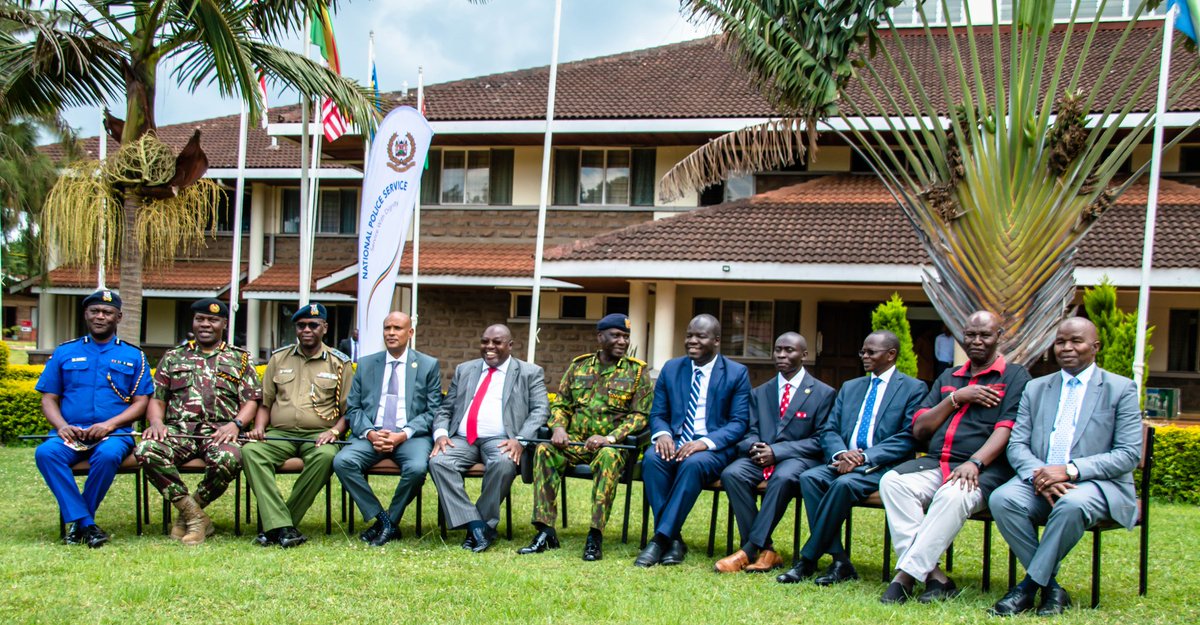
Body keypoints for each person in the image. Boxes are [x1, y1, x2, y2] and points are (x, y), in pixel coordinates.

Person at [987, 317, 1142, 617]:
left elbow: (1128, 454)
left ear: (1095, 347)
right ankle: (1052, 589)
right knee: (1002, 499)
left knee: (1071, 504)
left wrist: (1070, 470)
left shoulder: (1120, 389)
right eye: (1060, 342)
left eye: (1076, 341)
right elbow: (1017, 445)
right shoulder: (1036, 388)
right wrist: (1042, 474)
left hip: (1098, 483)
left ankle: (1028, 587)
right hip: (1040, 479)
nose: (1067, 348)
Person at [877, 311, 1031, 603]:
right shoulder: (950, 377)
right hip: (938, 461)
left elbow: (1007, 429)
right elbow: (921, 428)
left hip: (985, 468)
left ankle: (904, 577)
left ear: (999, 336)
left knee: (954, 494)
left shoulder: (1014, 376)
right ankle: (936, 578)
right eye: (970, 334)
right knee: (892, 482)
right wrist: (957, 397)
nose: (976, 341)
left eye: (985, 335)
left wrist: (975, 462)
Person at [776, 330, 925, 585]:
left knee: (843, 485)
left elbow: (907, 437)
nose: (864, 356)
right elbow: (829, 429)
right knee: (810, 478)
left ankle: (807, 559)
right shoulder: (851, 387)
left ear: (891, 355)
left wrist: (864, 457)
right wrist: (842, 453)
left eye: (871, 352)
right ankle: (840, 560)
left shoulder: (913, 388)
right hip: (843, 461)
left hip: (882, 467)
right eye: (862, 352)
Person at [519, 313, 652, 561]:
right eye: (616, 336)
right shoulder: (578, 366)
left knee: (608, 456)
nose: (622, 341)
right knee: (545, 449)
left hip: (610, 447)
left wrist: (610, 438)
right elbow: (561, 405)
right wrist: (558, 428)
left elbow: (640, 416)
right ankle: (546, 531)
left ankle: (595, 535)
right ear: (600, 337)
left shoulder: (636, 372)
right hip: (574, 443)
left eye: (625, 337)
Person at [134, 298, 260, 545]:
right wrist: (156, 423)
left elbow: (251, 401)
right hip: (179, 430)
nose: (205, 324)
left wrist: (236, 424)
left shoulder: (240, 358)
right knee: (146, 450)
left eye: (212, 320)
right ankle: (194, 516)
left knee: (229, 458)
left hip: (220, 430)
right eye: (200, 319)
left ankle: (191, 513)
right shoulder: (173, 357)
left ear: (223, 323)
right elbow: (158, 399)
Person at [34, 290, 153, 547]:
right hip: (70, 434)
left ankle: (79, 524)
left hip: (114, 435)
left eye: (107, 312)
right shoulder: (65, 352)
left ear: (118, 317)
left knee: (108, 455)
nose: (100, 316)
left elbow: (142, 402)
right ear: (86, 314)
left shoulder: (135, 356)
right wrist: (62, 426)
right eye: (95, 311)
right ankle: (86, 523)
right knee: (46, 453)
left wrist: (110, 424)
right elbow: (49, 398)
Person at [634, 314, 750, 568]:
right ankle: (674, 540)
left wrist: (704, 442)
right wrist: (663, 434)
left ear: (717, 340)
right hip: (675, 441)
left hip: (712, 448)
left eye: (700, 336)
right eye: (689, 335)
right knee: (652, 459)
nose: (692, 341)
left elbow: (739, 422)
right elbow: (659, 413)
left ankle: (660, 540)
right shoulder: (672, 368)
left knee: (692, 464)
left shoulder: (736, 373)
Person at [715, 332, 835, 573]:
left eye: (789, 350)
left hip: (799, 459)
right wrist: (754, 446)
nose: (781, 355)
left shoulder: (824, 393)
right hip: (760, 457)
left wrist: (777, 451)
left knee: (783, 477)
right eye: (778, 349)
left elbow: (821, 439)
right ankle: (767, 550)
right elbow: (749, 430)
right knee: (732, 473)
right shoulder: (760, 392)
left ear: (804, 355)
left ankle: (748, 550)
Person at [242, 303, 355, 548]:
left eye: (313, 325)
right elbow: (265, 402)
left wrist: (334, 431)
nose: (306, 330)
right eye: (301, 325)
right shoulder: (278, 358)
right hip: (278, 434)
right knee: (251, 451)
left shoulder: (339, 363)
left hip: (318, 436)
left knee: (326, 458)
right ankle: (284, 527)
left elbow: (349, 411)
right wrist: (259, 427)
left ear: (324, 328)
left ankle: (278, 525)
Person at [429, 324, 548, 552]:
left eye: (496, 342)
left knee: (504, 463)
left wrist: (520, 439)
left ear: (510, 345)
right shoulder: (465, 369)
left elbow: (541, 410)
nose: (489, 347)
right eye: (485, 341)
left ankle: (481, 526)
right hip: (462, 438)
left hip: (502, 439)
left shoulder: (529, 372)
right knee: (438, 462)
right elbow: (446, 407)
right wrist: (441, 434)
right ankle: (477, 526)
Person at [332, 311, 442, 546]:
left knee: (417, 468)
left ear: (410, 333)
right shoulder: (366, 364)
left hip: (410, 435)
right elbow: (354, 408)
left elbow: (433, 411)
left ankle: (390, 520)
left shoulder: (427, 365)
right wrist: (371, 433)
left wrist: (402, 434)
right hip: (372, 433)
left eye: (397, 328)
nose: (391, 333)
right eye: (387, 328)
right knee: (343, 461)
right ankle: (384, 521)